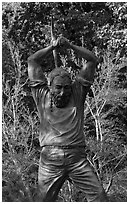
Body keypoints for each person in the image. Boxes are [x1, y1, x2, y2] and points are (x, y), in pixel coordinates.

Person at [27, 36, 108, 202]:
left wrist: (70, 45)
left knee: (99, 197)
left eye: (66, 87)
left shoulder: (77, 93)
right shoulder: (42, 95)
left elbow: (92, 59)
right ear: (49, 86)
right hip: (50, 158)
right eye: (58, 88)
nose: (63, 92)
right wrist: (51, 47)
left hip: (76, 158)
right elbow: (32, 60)